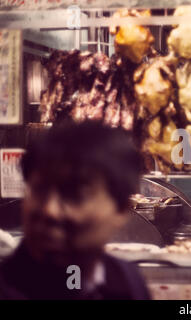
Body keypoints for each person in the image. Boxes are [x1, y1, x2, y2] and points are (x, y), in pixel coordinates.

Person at [0, 121, 150, 300]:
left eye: (74, 194)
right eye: (39, 190)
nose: (50, 211)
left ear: (121, 210)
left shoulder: (127, 280)